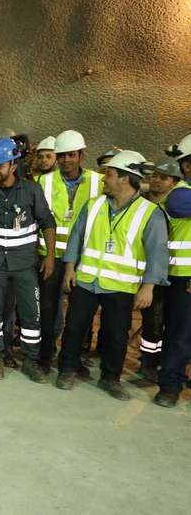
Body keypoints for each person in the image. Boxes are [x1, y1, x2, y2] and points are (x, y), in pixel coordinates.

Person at [57, 150, 168, 401]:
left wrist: (148, 287)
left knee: (116, 334)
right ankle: (67, 369)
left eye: (109, 174)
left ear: (125, 179)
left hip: (121, 286)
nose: (104, 178)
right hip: (85, 280)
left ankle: (110, 378)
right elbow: (76, 237)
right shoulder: (94, 205)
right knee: (74, 328)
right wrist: (69, 268)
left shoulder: (149, 213)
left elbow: (157, 254)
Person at [0, 138, 56, 383]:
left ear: (13, 165)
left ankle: (30, 360)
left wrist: (50, 258)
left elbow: (48, 223)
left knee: (30, 314)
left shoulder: (31, 190)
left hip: (25, 265)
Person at [36, 130, 103, 371]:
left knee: (80, 314)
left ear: (81, 155)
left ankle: (72, 359)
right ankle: (45, 356)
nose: (66, 160)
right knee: (48, 309)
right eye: (62, 156)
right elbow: (42, 220)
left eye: (71, 155)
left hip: (84, 259)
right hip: (50, 258)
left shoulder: (98, 182)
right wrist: (48, 257)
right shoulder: (45, 181)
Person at [135, 157, 182, 382]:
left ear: (174, 182)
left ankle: (157, 361)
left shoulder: (179, 206)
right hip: (146, 272)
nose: (157, 181)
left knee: (166, 321)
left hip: (173, 274)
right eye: (154, 176)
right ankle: (148, 362)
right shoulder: (142, 203)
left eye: (163, 177)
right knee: (152, 320)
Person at [155, 135, 191, 407]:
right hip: (183, 276)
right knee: (180, 333)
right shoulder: (180, 194)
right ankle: (169, 383)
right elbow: (178, 209)